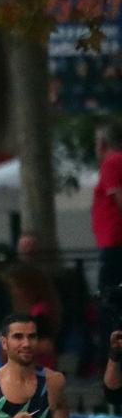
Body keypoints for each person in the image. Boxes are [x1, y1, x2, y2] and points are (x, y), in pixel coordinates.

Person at [92, 122, 121, 327]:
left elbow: (119, 197)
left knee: (108, 297)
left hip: (113, 241)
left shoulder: (112, 162)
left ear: (102, 143)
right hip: (112, 239)